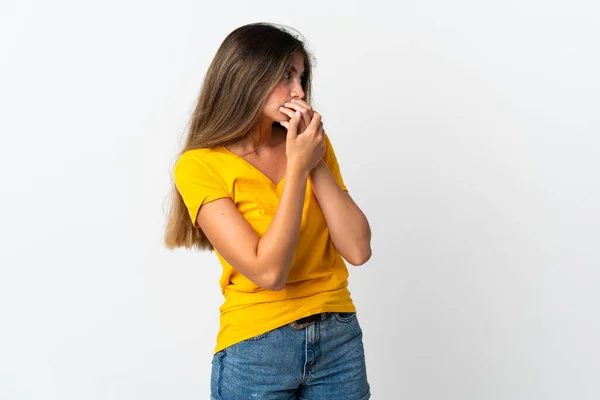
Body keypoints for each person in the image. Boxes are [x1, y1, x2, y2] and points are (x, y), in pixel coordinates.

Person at [164, 22, 372, 400]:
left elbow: (358, 250)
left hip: (338, 337)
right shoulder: (199, 166)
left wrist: (315, 162)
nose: (299, 91)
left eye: (301, 77)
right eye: (285, 76)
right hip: (257, 347)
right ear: (246, 78)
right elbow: (269, 272)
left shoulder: (311, 148)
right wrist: (297, 168)